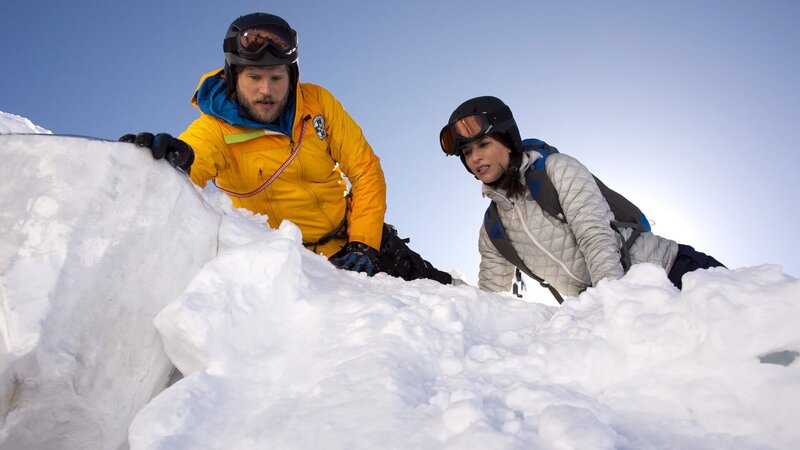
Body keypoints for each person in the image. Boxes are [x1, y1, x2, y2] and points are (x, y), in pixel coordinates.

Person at [121, 12, 451, 284]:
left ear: (291, 76)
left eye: (277, 78)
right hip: (294, 268)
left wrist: (364, 242)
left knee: (447, 297)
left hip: (357, 239)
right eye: (254, 77)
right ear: (234, 76)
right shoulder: (215, 130)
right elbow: (193, 160)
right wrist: (168, 165)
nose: (267, 90)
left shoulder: (318, 102)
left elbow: (365, 169)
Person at [439, 96, 724, 297]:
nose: (475, 157)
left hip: (674, 272)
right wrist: (441, 288)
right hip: (615, 306)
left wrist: (613, 306)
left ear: (507, 141)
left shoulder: (556, 170)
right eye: (466, 153)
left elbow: (595, 237)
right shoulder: (492, 229)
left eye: (484, 144)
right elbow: (492, 301)